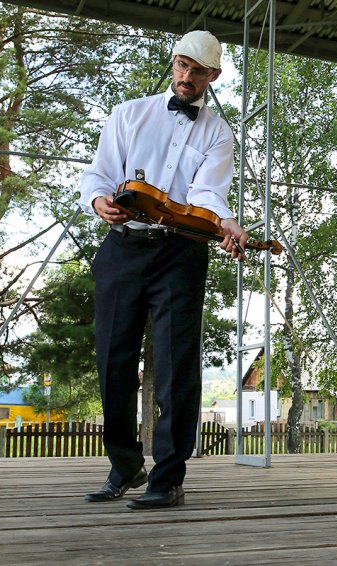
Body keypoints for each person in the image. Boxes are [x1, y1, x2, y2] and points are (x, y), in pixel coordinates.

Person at [78, 30, 248, 509]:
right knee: (113, 361)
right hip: (123, 249)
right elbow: (99, 173)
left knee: (177, 367)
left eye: (198, 71)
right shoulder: (128, 114)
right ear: (173, 63)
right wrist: (99, 201)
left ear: (214, 76)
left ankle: (168, 479)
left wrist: (226, 220)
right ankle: (124, 467)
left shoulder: (218, 133)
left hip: (181, 251)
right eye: (182, 66)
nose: (187, 77)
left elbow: (206, 193)